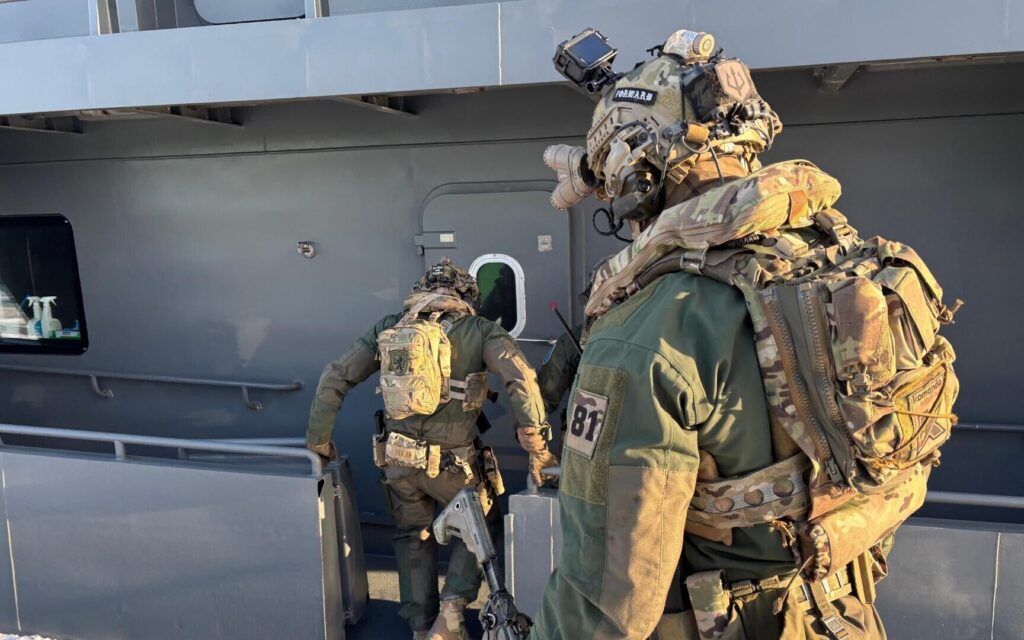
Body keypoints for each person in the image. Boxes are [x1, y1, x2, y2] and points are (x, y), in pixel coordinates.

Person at [532, 28, 959, 640]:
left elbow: (603, 606)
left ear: (635, 170)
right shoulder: (844, 261)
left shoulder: (648, 331)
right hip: (844, 615)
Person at [306, 258, 555, 640]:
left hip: (398, 462)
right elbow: (521, 379)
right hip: (455, 466)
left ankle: (421, 628)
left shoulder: (390, 327)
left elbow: (334, 377)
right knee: (481, 525)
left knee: (413, 536)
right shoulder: (480, 330)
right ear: (467, 296)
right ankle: (450, 617)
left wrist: (319, 443)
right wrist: (537, 447)